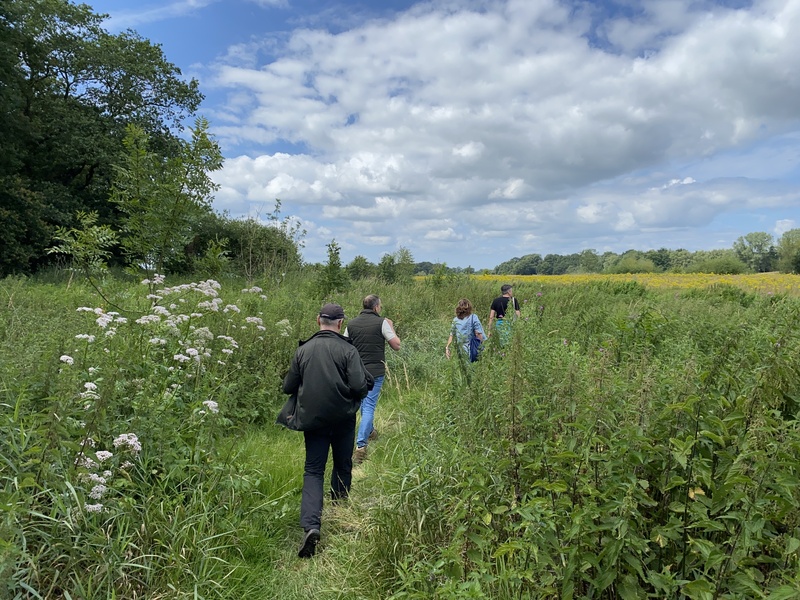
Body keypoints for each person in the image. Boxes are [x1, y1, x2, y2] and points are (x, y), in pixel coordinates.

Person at [281, 303, 372, 558]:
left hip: (314, 420)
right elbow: (359, 385)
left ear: (318, 320)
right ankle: (339, 509)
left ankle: (311, 526)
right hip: (343, 418)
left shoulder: (304, 349)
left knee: (313, 469)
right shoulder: (348, 350)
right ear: (341, 323)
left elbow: (289, 386)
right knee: (343, 463)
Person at [344, 294, 401, 464]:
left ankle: (370, 432)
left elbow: (344, 345)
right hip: (374, 372)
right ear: (376, 307)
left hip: (355, 372)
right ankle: (361, 446)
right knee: (368, 406)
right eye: (380, 307)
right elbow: (397, 345)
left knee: (363, 403)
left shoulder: (351, 324)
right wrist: (391, 327)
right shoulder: (382, 322)